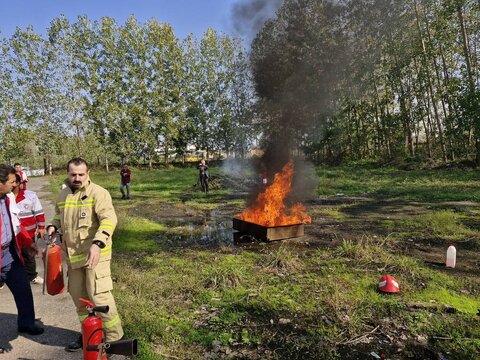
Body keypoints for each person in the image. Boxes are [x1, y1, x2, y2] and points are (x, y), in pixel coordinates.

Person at [47, 158, 123, 352]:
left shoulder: (98, 193)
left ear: (88, 174)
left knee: (99, 297)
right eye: (73, 174)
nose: (77, 178)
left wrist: (98, 243)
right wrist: (52, 226)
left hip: (95, 256)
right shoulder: (64, 194)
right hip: (73, 258)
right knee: (79, 298)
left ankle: (115, 341)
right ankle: (90, 334)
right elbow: (58, 215)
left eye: (81, 174)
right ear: (68, 174)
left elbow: (109, 220)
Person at [0, 164, 44, 335]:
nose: (15, 185)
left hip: (8, 253)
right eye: (11, 182)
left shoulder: (8, 198)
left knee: (22, 286)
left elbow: (17, 224)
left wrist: (28, 242)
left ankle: (26, 323)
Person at [12, 174, 45, 284]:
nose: (11, 185)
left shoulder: (30, 196)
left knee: (29, 255)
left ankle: (32, 276)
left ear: (18, 183)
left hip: (28, 234)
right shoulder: (5, 198)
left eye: (13, 182)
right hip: (11, 234)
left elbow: (39, 212)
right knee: (12, 256)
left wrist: (41, 227)